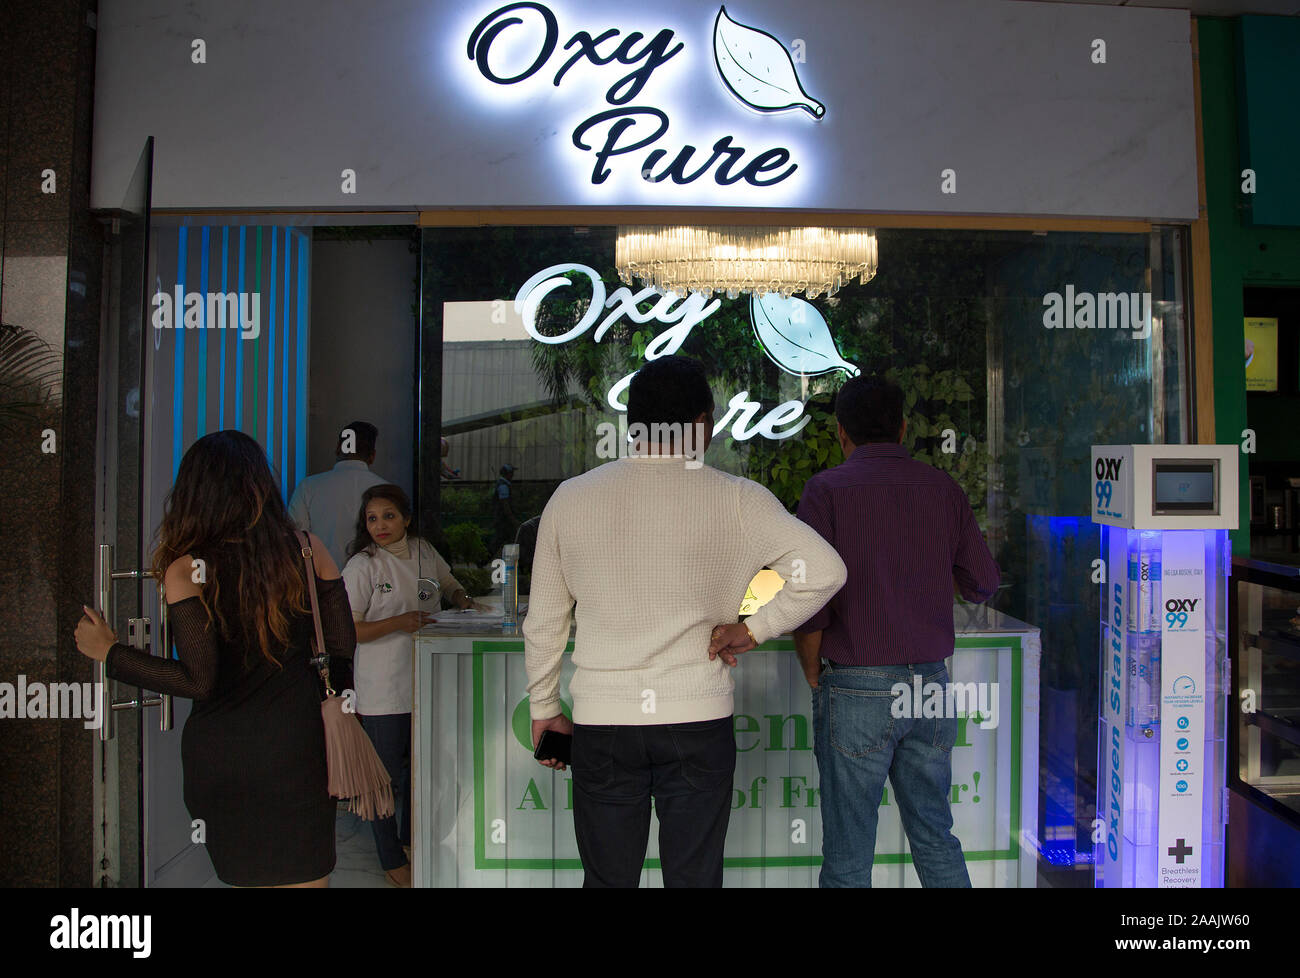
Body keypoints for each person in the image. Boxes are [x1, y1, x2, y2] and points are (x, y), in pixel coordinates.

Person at [524, 355, 847, 888]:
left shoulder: (571, 498)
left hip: (603, 722)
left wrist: (543, 707)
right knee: (694, 879)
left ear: (634, 422)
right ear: (701, 423)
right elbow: (826, 571)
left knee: (606, 881)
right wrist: (753, 629)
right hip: (698, 718)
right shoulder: (739, 499)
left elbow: (544, 620)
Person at [74, 430, 356, 888]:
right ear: (259, 487)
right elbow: (341, 649)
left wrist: (111, 653)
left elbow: (198, 680)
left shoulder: (187, 569)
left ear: (194, 493)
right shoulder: (308, 549)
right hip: (300, 752)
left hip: (225, 759)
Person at [793, 374, 1001, 888]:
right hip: (929, 684)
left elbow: (808, 596)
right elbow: (982, 583)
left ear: (841, 432)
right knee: (935, 836)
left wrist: (812, 668)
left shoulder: (825, 491)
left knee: (848, 856)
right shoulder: (943, 489)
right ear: (903, 428)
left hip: (855, 685)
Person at [340, 483, 485, 887]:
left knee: (423, 771)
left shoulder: (422, 551)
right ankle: (391, 858)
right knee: (383, 779)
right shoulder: (363, 566)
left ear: (406, 518)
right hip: (383, 688)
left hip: (426, 679)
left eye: (388, 516)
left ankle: (409, 843)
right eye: (372, 518)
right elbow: (349, 629)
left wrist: (464, 601)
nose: (380, 525)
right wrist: (397, 623)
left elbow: (448, 584)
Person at [289, 421, 386, 568]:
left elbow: (296, 539)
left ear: (338, 449)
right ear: (372, 456)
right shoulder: (387, 490)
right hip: (374, 577)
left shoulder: (308, 487)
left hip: (321, 577)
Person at [489, 463, 520, 558]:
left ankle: (511, 560)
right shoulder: (503, 486)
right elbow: (505, 505)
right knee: (502, 540)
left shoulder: (504, 484)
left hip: (503, 520)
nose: (513, 475)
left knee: (505, 540)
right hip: (504, 520)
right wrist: (513, 519)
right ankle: (483, 560)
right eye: (511, 472)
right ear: (508, 473)